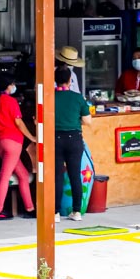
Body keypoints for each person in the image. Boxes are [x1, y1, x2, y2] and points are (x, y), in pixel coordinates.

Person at [0, 72, 37, 220]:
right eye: (13, 84)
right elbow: (19, 123)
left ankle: (30, 209)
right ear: (8, 86)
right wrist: (32, 137)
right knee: (5, 176)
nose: (14, 86)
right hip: (12, 142)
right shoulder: (11, 101)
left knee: (22, 175)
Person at [54, 64, 92, 222]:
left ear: (55, 80)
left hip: (55, 139)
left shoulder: (49, 97)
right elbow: (87, 121)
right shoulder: (78, 98)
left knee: (56, 176)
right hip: (75, 139)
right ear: (70, 80)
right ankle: (77, 212)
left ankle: (55, 213)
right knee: (75, 174)